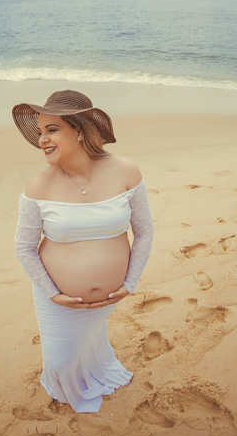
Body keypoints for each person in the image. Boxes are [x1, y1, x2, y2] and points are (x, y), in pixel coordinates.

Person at [13, 89, 154, 413]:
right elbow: (24, 248)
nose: (42, 140)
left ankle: (98, 367)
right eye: (39, 133)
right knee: (61, 362)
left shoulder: (125, 171)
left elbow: (144, 233)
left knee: (89, 343)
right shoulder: (39, 186)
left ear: (78, 129)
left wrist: (129, 284)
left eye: (52, 130)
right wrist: (53, 294)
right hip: (58, 301)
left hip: (110, 298)